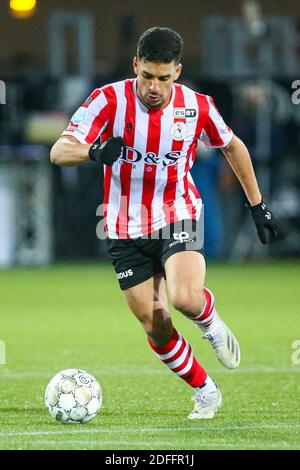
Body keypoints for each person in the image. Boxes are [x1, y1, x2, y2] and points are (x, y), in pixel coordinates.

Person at [50, 27, 278, 419]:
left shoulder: (197, 106)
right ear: (136, 65)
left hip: (177, 213)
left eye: (164, 78)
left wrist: (257, 206)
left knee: (185, 298)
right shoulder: (106, 101)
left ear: (178, 71)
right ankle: (205, 390)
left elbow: (232, 145)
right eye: (148, 76)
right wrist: (95, 150)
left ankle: (209, 318)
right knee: (156, 326)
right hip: (122, 226)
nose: (154, 87)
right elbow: (59, 150)